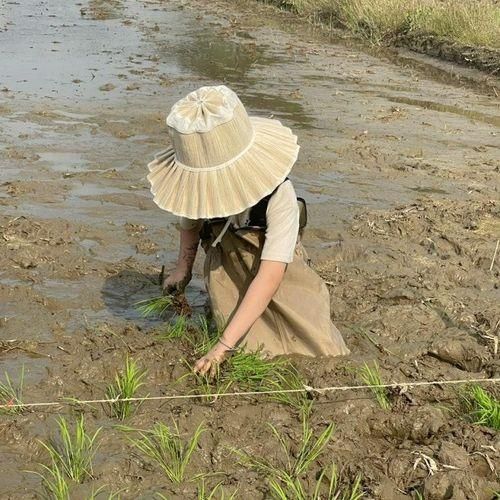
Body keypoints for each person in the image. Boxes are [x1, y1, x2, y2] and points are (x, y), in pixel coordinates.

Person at [147, 85, 349, 376]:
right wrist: (182, 269)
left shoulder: (280, 196)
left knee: (315, 350)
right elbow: (189, 224)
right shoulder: (197, 192)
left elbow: (270, 277)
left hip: (277, 272)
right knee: (245, 343)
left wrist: (222, 347)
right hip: (228, 270)